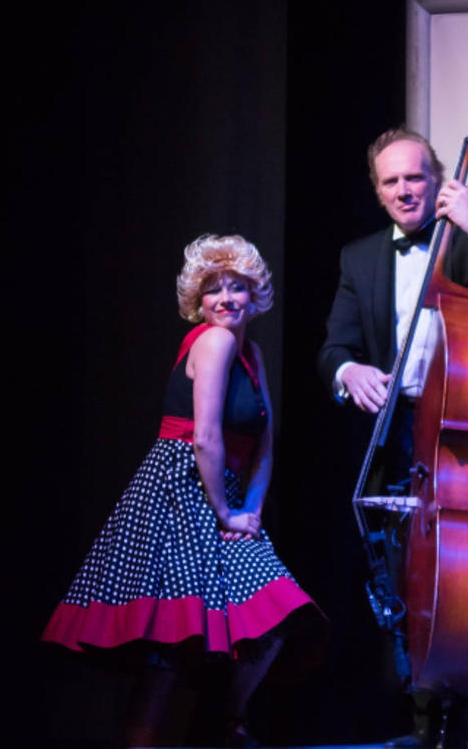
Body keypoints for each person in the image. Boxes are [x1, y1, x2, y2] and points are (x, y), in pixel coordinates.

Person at [43, 234, 325, 748]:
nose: (225, 299)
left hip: (223, 493)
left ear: (254, 295)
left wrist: (250, 510)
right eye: (213, 289)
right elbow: (205, 437)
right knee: (168, 647)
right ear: (198, 300)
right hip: (178, 491)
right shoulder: (213, 341)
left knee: (268, 614)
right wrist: (225, 512)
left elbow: (264, 444)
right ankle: (197, 730)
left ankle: (225, 724)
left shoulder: (252, 352)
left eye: (236, 287)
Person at [317, 127, 468, 749]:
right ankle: (426, 723)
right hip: (401, 431)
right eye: (390, 181)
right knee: (412, 574)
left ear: (438, 178)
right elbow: (333, 348)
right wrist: (348, 371)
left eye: (414, 177)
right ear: (377, 191)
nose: (403, 190)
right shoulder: (360, 257)